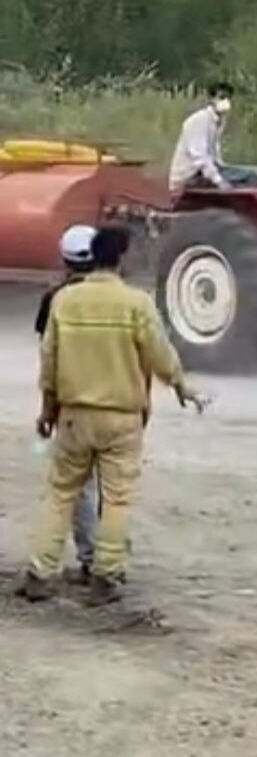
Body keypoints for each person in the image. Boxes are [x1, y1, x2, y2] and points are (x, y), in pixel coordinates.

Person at [18, 226, 206, 606]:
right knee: (116, 499)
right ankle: (105, 576)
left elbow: (49, 361)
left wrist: (47, 411)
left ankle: (40, 574)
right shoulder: (136, 303)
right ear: (121, 258)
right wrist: (181, 386)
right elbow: (160, 353)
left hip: (74, 417)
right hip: (122, 419)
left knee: (61, 494)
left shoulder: (64, 301)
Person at [34, 225, 100, 584]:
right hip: (121, 407)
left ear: (64, 258)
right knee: (115, 489)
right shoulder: (127, 298)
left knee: (74, 486)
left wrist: (48, 409)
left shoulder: (55, 300)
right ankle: (111, 560)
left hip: (74, 407)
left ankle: (89, 560)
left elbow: (49, 360)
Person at [168, 83, 257, 192]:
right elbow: (199, 157)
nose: (225, 101)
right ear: (211, 99)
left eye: (228, 98)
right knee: (252, 176)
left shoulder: (218, 121)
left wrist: (221, 171)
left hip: (204, 171)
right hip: (190, 175)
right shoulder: (199, 120)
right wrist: (219, 180)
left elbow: (214, 154)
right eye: (221, 97)